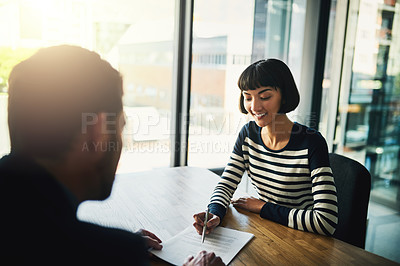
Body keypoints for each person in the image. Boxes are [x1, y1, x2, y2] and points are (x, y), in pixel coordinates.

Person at [0, 45, 223, 265]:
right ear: (98, 134)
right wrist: (111, 250)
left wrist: (101, 247)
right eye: (120, 128)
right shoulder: (118, 252)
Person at [193, 59, 338, 237]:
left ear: (284, 95)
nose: (254, 107)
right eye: (248, 97)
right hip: (270, 230)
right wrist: (214, 212)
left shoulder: (311, 143)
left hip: (306, 239)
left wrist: (262, 207)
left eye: (265, 97)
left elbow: (326, 222)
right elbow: (226, 184)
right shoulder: (248, 134)